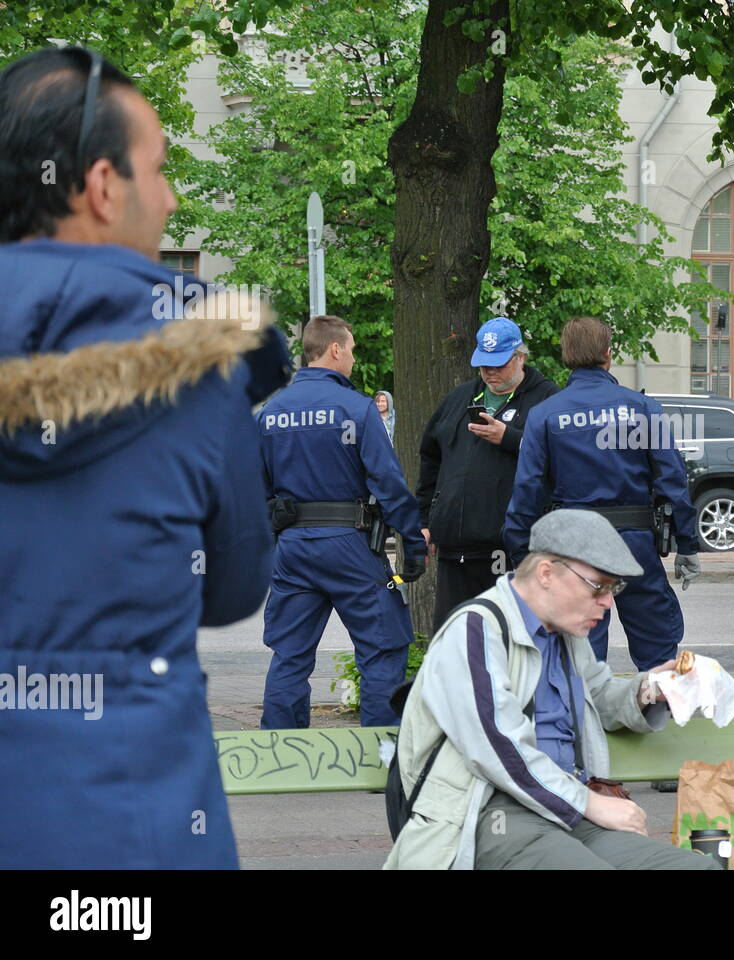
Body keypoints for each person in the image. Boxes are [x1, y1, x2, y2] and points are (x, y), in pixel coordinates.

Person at [0, 46, 290, 868]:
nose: (166, 200)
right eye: (158, 171)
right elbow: (234, 588)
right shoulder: (199, 361)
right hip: (135, 821)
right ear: (98, 186)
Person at [386, 509, 719, 870]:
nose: (608, 602)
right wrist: (592, 805)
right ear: (546, 573)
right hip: (492, 812)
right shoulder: (476, 630)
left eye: (614, 588)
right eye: (599, 586)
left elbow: (601, 696)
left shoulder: (565, 635)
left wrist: (651, 691)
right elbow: (500, 749)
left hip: (566, 810)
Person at [503, 316, 700, 673]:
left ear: (566, 355)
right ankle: (657, 719)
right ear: (608, 354)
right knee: (658, 650)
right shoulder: (641, 408)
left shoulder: (545, 414)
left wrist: (520, 553)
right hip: (635, 542)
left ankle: (581, 724)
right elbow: (673, 480)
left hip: (575, 548)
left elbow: (527, 489)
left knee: (580, 654)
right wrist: (687, 544)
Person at [259, 314, 426, 729]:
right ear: (335, 349)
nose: (352, 358)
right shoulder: (358, 409)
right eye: (350, 350)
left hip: (293, 548)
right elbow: (388, 484)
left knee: (290, 655)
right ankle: (381, 755)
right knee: (382, 648)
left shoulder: (270, 413)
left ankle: (280, 756)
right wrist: (413, 545)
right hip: (352, 546)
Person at [415, 317, 559, 629]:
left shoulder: (546, 399)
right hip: (456, 550)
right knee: (458, 643)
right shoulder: (459, 399)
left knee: (510, 641)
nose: (490, 372)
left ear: (520, 356)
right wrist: (424, 522)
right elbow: (430, 462)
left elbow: (560, 458)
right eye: (484, 364)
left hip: (512, 551)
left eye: (499, 364)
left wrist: (510, 438)